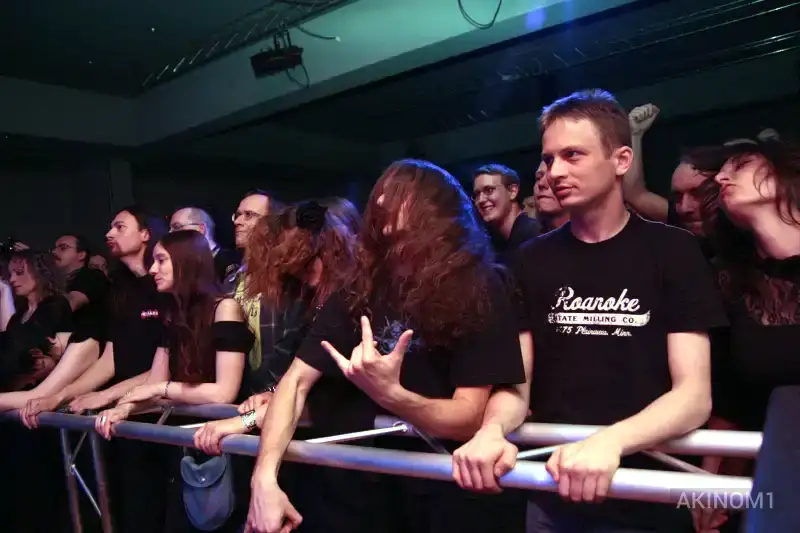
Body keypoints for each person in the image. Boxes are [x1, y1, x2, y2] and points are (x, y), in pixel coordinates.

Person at [452, 89, 727, 533]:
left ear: (621, 160)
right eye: (549, 159)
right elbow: (517, 385)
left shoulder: (672, 250)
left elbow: (693, 397)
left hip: (646, 489)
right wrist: (491, 431)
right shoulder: (530, 260)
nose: (554, 172)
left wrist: (609, 442)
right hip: (553, 490)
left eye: (573, 155)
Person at [245, 159, 526, 533]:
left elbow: (468, 416)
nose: (380, 201)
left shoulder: (479, 285)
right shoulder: (359, 288)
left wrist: (391, 394)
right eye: (380, 192)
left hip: (443, 491)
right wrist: (263, 479)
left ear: (432, 205)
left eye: (397, 192)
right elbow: (295, 383)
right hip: (364, 493)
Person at [93, 229, 253, 533]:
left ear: (186, 262)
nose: (153, 269)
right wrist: (124, 408)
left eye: (161, 260)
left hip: (224, 444)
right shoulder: (174, 314)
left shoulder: (224, 308)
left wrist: (161, 389)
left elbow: (224, 392)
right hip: (186, 444)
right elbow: (154, 382)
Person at [691, 138, 800, 533]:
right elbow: (727, 400)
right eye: (720, 171)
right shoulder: (725, 281)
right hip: (778, 483)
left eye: (738, 165)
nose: (721, 178)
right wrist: (709, 485)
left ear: (783, 171)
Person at [193, 198, 361, 453]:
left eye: (305, 264)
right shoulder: (311, 301)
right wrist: (273, 392)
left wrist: (246, 421)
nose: (301, 275)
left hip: (354, 448)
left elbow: (322, 396)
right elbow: (297, 377)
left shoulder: (351, 303)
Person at [0, 249, 71, 394]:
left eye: (19, 273)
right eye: (11, 274)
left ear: (40, 273)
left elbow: (27, 343)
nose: (12, 279)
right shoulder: (19, 314)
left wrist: (4, 292)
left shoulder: (55, 305)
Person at [472, 163, 539, 261]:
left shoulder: (532, 235)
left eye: (489, 190)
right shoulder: (497, 244)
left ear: (512, 191)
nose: (481, 200)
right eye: (477, 194)